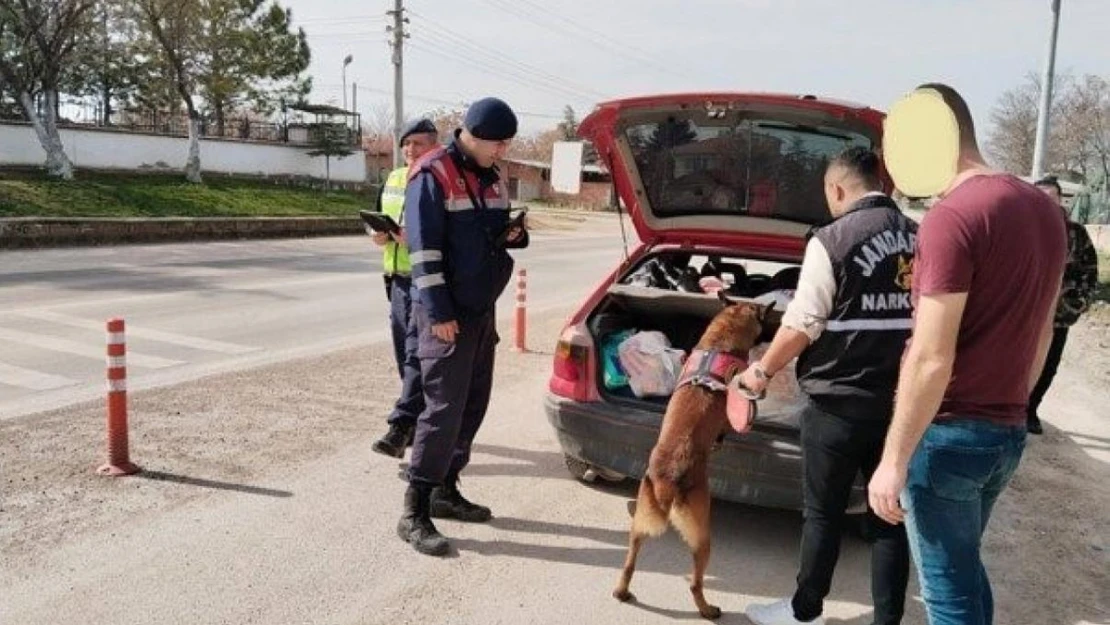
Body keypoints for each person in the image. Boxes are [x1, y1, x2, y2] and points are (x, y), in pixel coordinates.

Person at [868, 84, 1067, 625]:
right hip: (1004, 433)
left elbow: (931, 356)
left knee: (947, 597)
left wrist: (892, 460)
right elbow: (1045, 329)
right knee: (963, 575)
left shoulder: (952, 217)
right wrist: (1011, 403)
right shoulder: (1045, 212)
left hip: (948, 437)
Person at [742, 147, 914, 625]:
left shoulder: (832, 239)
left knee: (823, 514)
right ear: (887, 185)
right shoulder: (923, 238)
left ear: (837, 189)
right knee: (889, 518)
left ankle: (804, 612)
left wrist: (760, 372)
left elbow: (803, 323)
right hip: (901, 407)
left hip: (836, 405)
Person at [396, 97, 529, 556]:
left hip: (479, 309)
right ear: (470, 134)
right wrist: (439, 314)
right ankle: (414, 510)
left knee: (473, 403)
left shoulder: (491, 173)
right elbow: (424, 253)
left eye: (507, 143)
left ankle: (446, 488)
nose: (503, 151)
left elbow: (490, 234)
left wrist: (514, 234)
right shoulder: (432, 174)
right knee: (442, 409)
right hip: (445, 314)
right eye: (497, 143)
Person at [370, 119, 440, 458]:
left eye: (418, 144)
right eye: (406, 145)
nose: (410, 151)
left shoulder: (437, 179)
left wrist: (416, 240)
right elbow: (380, 216)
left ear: (434, 146)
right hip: (396, 278)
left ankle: (402, 425)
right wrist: (378, 235)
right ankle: (416, 416)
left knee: (415, 351)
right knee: (404, 353)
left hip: (426, 281)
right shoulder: (395, 178)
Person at [1026, 175, 1099, 434]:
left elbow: (1089, 272)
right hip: (1022, 314)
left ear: (1060, 201)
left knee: (1048, 363)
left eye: (1051, 198)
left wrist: (1073, 304)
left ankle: (1030, 409)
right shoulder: (1021, 229)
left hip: (1057, 315)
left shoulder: (1075, 234)